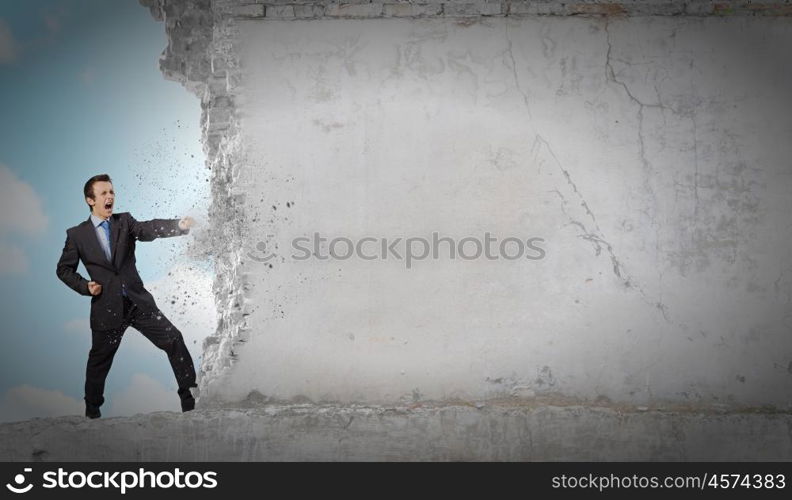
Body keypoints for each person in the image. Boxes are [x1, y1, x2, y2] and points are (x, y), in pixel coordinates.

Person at [56, 174, 199, 419]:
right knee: (99, 363)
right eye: (103, 193)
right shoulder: (77, 234)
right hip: (107, 308)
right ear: (90, 200)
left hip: (137, 303)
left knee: (174, 339)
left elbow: (148, 229)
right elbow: (63, 269)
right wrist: (84, 286)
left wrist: (179, 225)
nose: (110, 196)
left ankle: (191, 403)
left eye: (111, 192)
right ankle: (92, 412)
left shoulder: (125, 221)